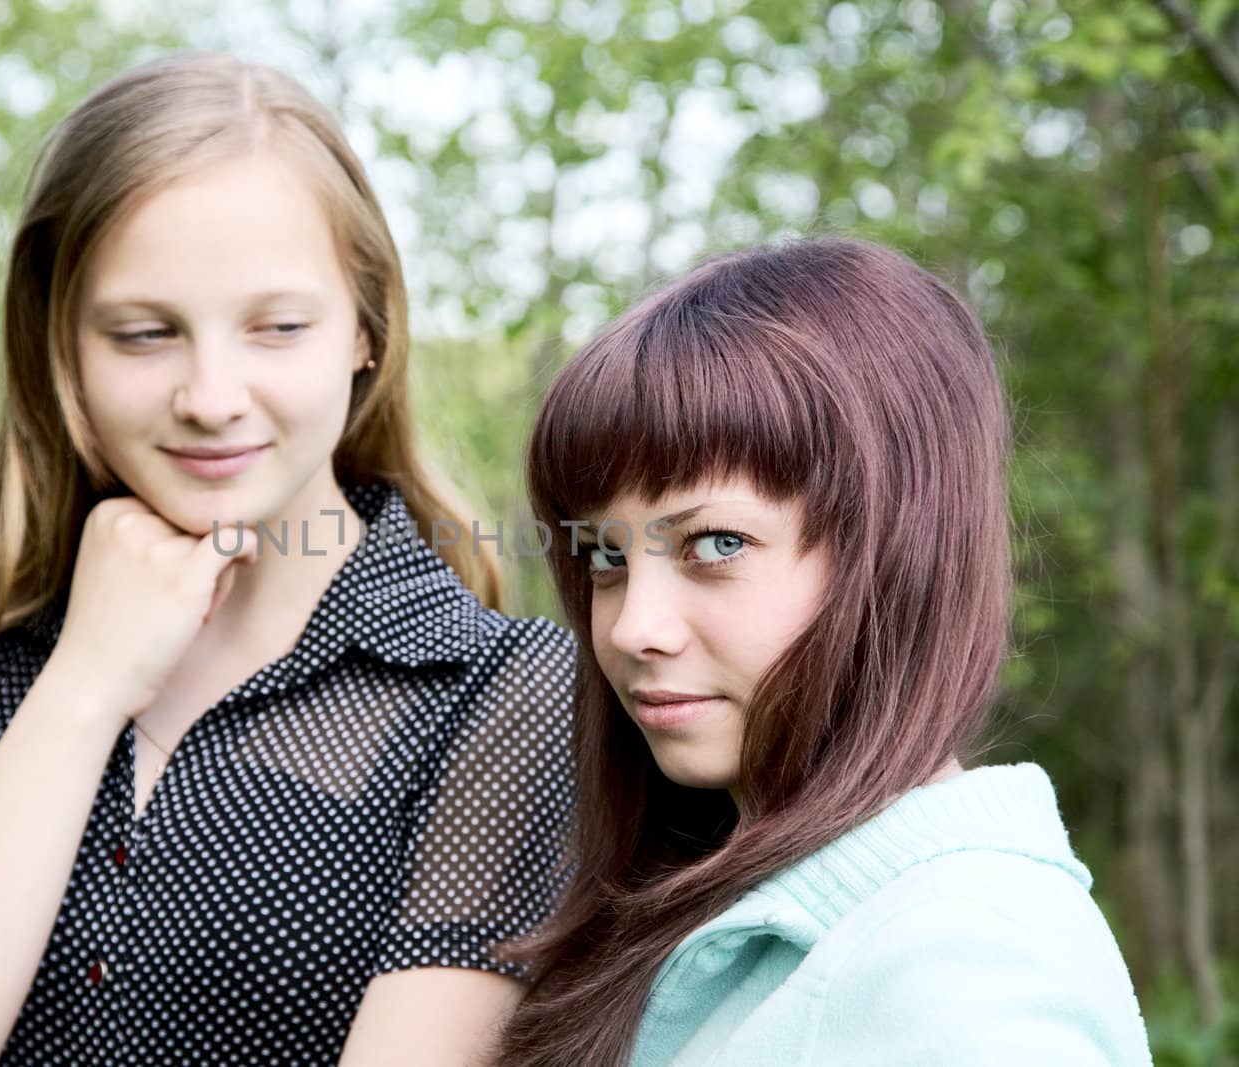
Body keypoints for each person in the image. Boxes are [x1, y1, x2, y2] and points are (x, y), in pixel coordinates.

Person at [0, 52, 575, 1067]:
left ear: (365, 334)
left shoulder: (494, 693)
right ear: (61, 345)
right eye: (144, 333)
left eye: (278, 327)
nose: (211, 395)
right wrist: (85, 683)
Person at [493, 237, 1153, 1066]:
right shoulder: (741, 910)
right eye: (607, 557)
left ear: (895, 553)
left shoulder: (964, 966)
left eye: (716, 542)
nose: (631, 628)